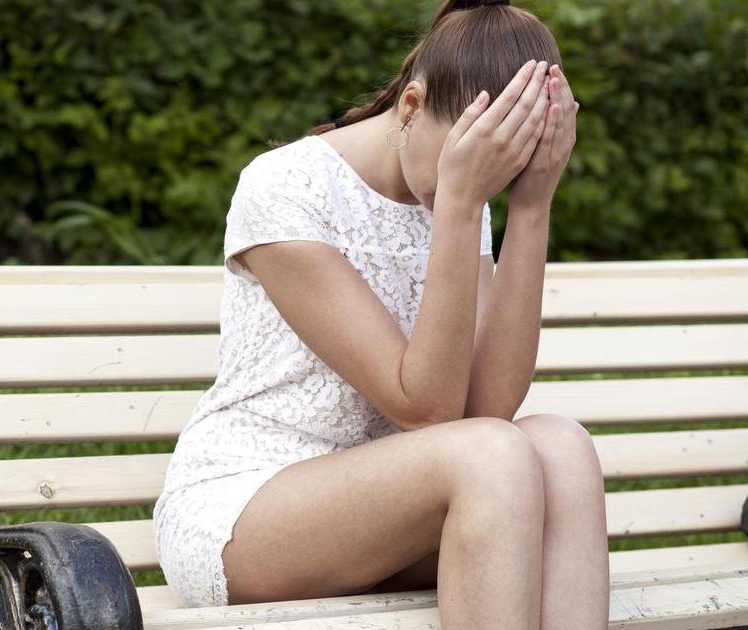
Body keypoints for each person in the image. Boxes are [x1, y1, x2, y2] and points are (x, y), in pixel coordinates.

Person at [151, 0, 606, 628]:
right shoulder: (285, 187)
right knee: (490, 455)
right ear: (412, 105)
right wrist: (460, 204)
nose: (476, 187)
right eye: (467, 164)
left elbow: (486, 410)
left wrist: (532, 206)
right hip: (248, 510)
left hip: (397, 511)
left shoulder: (460, 196)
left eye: (495, 175)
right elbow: (427, 410)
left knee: (561, 446)